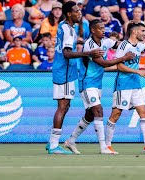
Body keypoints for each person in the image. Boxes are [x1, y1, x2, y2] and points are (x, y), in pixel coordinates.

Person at [63, 19, 135, 155]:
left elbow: (120, 44)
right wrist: (123, 58)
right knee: (98, 111)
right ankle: (103, 147)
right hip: (87, 83)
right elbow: (104, 64)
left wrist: (129, 32)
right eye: (100, 28)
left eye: (104, 28)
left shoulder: (106, 42)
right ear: (93, 30)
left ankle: (71, 140)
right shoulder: (89, 46)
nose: (103, 30)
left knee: (90, 115)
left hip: (97, 84)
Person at [46, 1, 104, 155]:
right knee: (62, 107)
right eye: (76, 11)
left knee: (66, 106)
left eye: (79, 11)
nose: (79, 13)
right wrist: (88, 53)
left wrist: (81, 42)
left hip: (67, 71)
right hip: (64, 71)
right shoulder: (68, 29)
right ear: (69, 14)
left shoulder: (66, 26)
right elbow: (66, 53)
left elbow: (67, 43)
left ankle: (52, 142)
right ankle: (53, 145)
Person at [104, 21, 145, 154]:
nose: (144, 33)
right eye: (142, 31)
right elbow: (119, 65)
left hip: (135, 85)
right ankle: (107, 145)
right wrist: (138, 71)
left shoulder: (139, 45)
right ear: (135, 32)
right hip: (123, 85)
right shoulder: (124, 45)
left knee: (143, 112)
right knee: (116, 114)